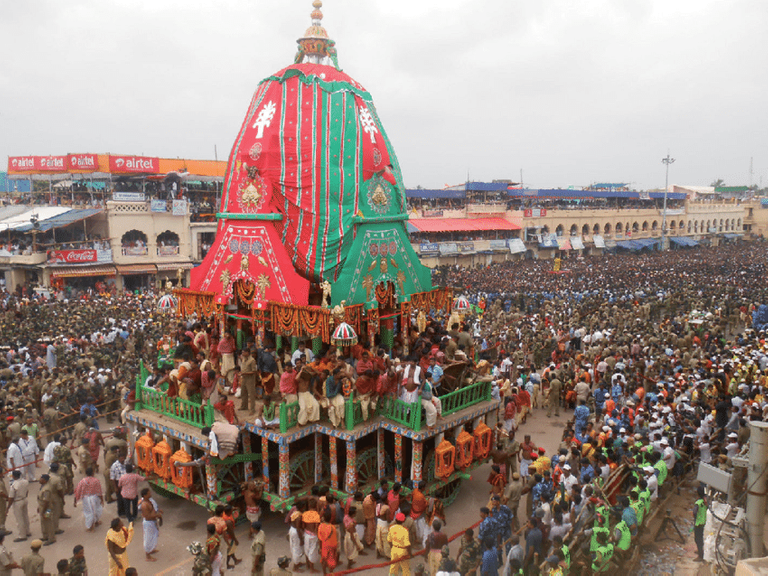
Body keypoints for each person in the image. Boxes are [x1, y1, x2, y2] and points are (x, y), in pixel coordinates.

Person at [73, 467, 103, 531]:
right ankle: (96, 522)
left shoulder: (82, 481)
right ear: (93, 473)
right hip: (95, 498)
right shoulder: (96, 480)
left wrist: (75, 501)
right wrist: (102, 500)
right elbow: (99, 491)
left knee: (89, 512)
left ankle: (91, 526)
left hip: (86, 499)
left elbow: (77, 491)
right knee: (97, 509)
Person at [8, 469, 31, 542]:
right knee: (25, 516)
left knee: (19, 519)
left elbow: (11, 497)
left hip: (17, 501)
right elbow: (27, 491)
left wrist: (8, 507)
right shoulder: (25, 481)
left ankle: (22, 535)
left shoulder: (14, 485)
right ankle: (27, 531)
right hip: (24, 499)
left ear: (14, 476)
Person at [140, 488, 162, 562]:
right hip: (149, 523)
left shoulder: (149, 501)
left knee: (154, 536)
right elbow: (147, 516)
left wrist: (158, 511)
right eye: (149, 493)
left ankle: (151, 550)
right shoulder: (144, 505)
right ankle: (148, 555)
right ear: (145, 495)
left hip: (152, 522)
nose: (150, 494)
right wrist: (157, 515)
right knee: (148, 538)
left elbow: (153, 509)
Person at [388, 512, 412, 576]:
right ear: (404, 520)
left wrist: (392, 548)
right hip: (403, 551)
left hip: (394, 549)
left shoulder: (391, 528)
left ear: (395, 520)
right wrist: (410, 553)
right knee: (405, 568)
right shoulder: (405, 530)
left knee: (393, 567)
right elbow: (407, 544)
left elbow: (389, 540)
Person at [36, 475, 56, 546]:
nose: (40, 480)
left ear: (45, 480)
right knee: (43, 522)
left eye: (41, 479)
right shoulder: (43, 487)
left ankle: (51, 538)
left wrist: (44, 511)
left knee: (48, 522)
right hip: (42, 507)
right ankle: (45, 536)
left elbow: (46, 501)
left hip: (47, 509)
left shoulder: (47, 489)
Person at [317, 509, 338, 574]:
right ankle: (331, 572)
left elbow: (320, 539)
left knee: (324, 560)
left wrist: (320, 547)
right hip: (331, 545)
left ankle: (324, 573)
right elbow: (335, 538)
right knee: (331, 559)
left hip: (324, 545)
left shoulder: (320, 526)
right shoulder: (332, 527)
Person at [693, 485, 707, 561]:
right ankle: (700, 551)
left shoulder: (698, 502)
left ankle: (700, 556)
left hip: (698, 523)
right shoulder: (705, 501)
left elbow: (694, 512)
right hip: (703, 522)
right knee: (701, 538)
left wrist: (694, 517)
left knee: (697, 539)